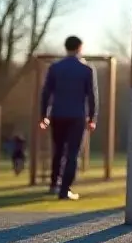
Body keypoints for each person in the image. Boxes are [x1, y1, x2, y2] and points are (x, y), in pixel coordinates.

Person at [39, 36, 98, 201]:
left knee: (58, 151)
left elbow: (46, 93)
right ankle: (64, 189)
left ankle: (54, 184)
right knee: (72, 153)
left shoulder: (55, 68)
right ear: (80, 47)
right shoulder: (86, 69)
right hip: (77, 116)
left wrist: (44, 115)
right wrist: (92, 117)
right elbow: (92, 96)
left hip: (57, 114)